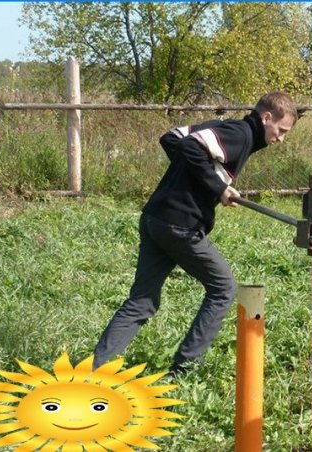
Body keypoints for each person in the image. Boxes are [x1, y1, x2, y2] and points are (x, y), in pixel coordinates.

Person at [93, 91, 298, 376]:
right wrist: (218, 186)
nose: (280, 139)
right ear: (266, 118)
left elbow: (171, 137)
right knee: (223, 288)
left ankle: (95, 370)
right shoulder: (240, 134)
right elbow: (189, 146)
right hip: (180, 225)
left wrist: (196, 177)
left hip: (156, 218)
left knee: (142, 301)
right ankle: (184, 368)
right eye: (281, 130)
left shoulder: (228, 129)